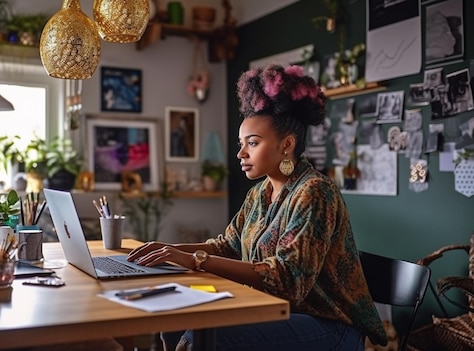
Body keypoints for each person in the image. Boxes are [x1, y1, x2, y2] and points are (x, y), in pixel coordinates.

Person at [127, 64, 387, 351]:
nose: (241, 153)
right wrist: (168, 251)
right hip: (275, 311)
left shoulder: (314, 192)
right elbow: (227, 245)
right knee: (175, 318)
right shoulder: (259, 194)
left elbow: (288, 280)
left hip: (329, 327)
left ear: (287, 145)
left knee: (203, 338)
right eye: (242, 143)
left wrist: (195, 260)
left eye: (252, 143)